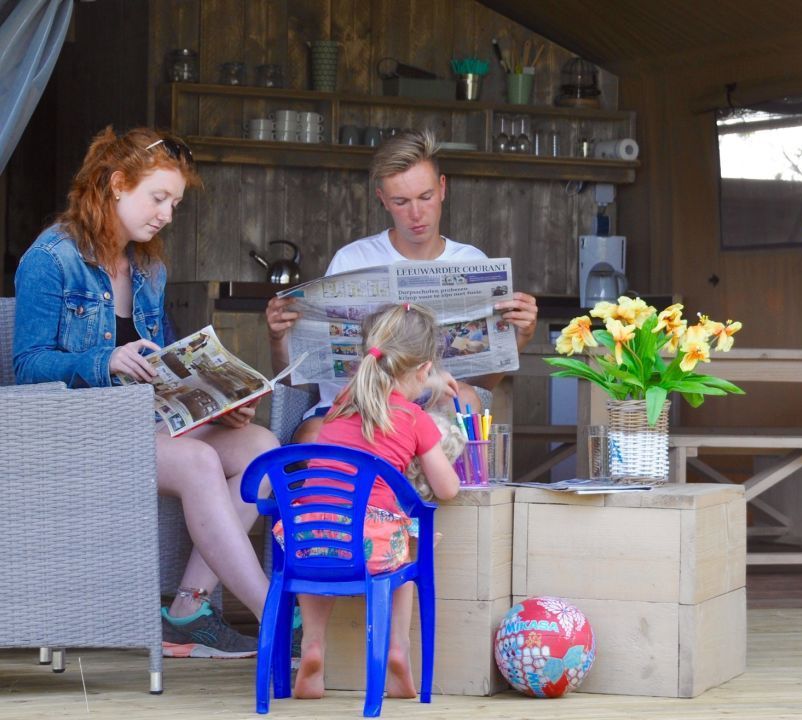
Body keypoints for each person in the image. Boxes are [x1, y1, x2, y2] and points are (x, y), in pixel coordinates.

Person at [13, 126, 277, 658]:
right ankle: (274, 614)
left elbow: (166, 366)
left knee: (262, 451)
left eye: (174, 203)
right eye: (158, 198)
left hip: (143, 427)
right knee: (200, 461)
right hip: (78, 432)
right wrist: (103, 359)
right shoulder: (50, 260)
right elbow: (25, 367)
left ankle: (188, 610)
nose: (167, 214)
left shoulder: (148, 268)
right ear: (115, 184)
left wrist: (215, 401)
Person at [265, 128, 539, 443]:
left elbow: (482, 385)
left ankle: (445, 494)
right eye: (401, 201)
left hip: (429, 405)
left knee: (465, 402)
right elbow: (296, 383)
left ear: (442, 188)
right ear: (382, 200)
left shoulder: (470, 260)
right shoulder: (352, 259)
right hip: (353, 408)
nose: (416, 213)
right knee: (311, 439)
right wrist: (277, 338)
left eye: (425, 197)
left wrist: (519, 339)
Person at [281, 302, 460, 700]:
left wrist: (426, 382)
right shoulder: (416, 420)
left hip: (305, 533)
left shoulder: (344, 401)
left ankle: (313, 645)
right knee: (407, 548)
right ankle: (398, 650)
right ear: (423, 369)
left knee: (320, 558)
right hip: (369, 538)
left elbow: (390, 386)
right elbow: (446, 489)